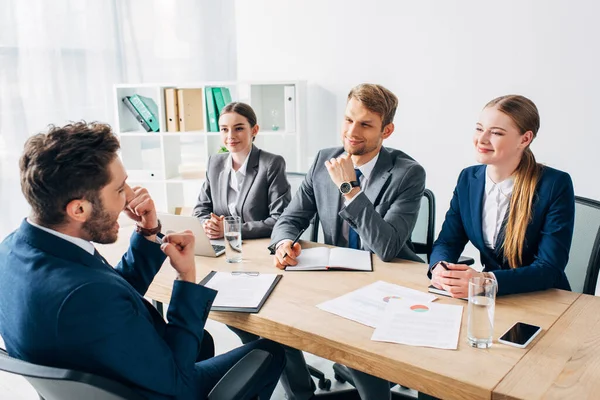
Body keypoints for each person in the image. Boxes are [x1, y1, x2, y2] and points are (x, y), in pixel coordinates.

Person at [0, 122, 285, 400]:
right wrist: (186, 278)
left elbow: (114, 293)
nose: (129, 198)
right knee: (271, 351)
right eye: (119, 189)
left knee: (203, 342)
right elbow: (178, 383)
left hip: (107, 372)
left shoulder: (13, 251)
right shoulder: (85, 295)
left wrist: (148, 233)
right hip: (165, 387)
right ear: (79, 209)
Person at [269, 83, 427, 400]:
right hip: (337, 277)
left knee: (361, 354)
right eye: (348, 120)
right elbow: (290, 219)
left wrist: (350, 190)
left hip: (389, 283)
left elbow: (386, 248)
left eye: (365, 124)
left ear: (387, 130)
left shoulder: (407, 174)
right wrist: (283, 243)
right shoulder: (323, 160)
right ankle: (302, 394)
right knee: (272, 324)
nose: (351, 132)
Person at [429, 95, 575, 298]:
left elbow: (549, 268)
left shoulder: (554, 184)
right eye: (479, 128)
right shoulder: (468, 179)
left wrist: (486, 281)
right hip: (489, 299)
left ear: (525, 139)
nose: (482, 139)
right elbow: (447, 242)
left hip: (541, 298)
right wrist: (439, 267)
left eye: (496, 132)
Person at [193, 102, 291, 240]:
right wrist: (208, 225)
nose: (230, 136)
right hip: (221, 244)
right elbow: (200, 211)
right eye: (224, 129)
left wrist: (230, 229)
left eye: (238, 128)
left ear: (254, 130)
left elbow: (280, 219)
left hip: (257, 245)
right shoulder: (214, 164)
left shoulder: (271, 164)